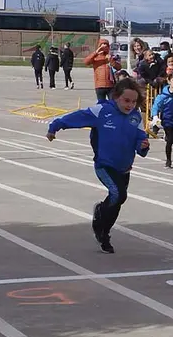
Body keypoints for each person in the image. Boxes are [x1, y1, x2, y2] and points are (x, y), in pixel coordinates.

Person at [46, 78, 150, 253]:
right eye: (126, 100)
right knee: (118, 194)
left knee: (118, 200)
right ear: (116, 97)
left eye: (134, 102)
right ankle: (101, 219)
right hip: (104, 164)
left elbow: (140, 140)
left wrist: (143, 146)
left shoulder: (135, 116)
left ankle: (104, 231)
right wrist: (55, 126)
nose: (130, 105)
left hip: (124, 167)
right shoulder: (102, 110)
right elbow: (77, 117)